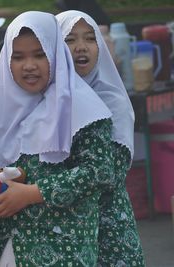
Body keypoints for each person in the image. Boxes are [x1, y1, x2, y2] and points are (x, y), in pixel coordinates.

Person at [0, 11, 116, 266]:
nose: (29, 65)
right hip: (8, 247)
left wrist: (32, 193)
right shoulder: (4, 112)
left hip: (62, 251)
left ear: (55, 54)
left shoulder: (84, 107)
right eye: (18, 57)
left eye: (39, 54)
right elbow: (12, 173)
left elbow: (100, 171)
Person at [56, 10, 145, 266]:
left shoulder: (111, 101)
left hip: (108, 229)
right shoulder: (50, 102)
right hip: (64, 232)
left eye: (90, 39)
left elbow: (109, 174)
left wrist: (35, 191)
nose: (81, 47)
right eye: (70, 40)